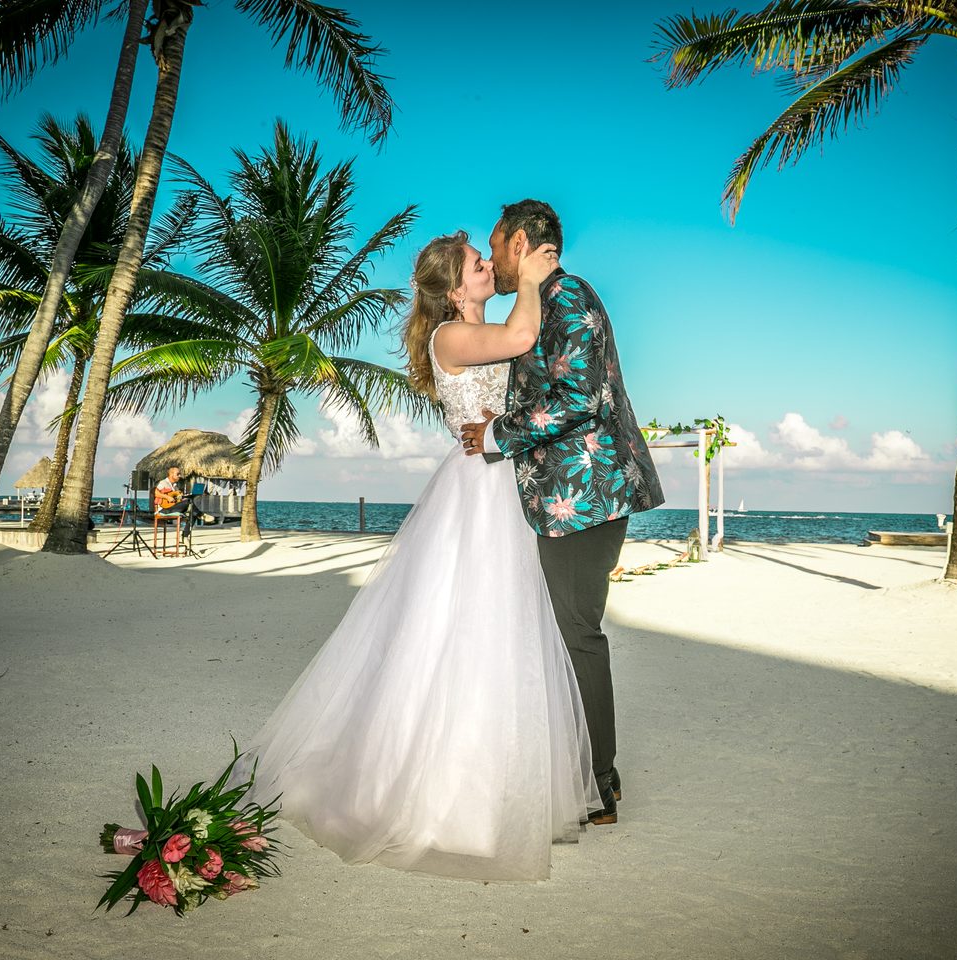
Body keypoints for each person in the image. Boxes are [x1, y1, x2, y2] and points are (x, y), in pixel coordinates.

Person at [231, 232, 597, 881]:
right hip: (480, 493)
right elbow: (520, 338)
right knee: (467, 627)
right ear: (455, 290)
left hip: (500, 485)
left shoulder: (475, 329)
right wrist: (532, 277)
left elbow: (527, 358)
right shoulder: (452, 336)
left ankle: (500, 796)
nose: (488, 268)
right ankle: (448, 803)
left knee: (501, 630)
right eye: (478, 265)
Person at [461, 199, 664, 826]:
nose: (493, 258)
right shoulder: (542, 300)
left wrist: (497, 435)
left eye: (496, 244)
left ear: (520, 242)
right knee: (567, 631)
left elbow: (579, 397)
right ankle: (587, 772)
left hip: (584, 495)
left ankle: (599, 781)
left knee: (577, 632)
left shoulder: (567, 296)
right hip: (567, 496)